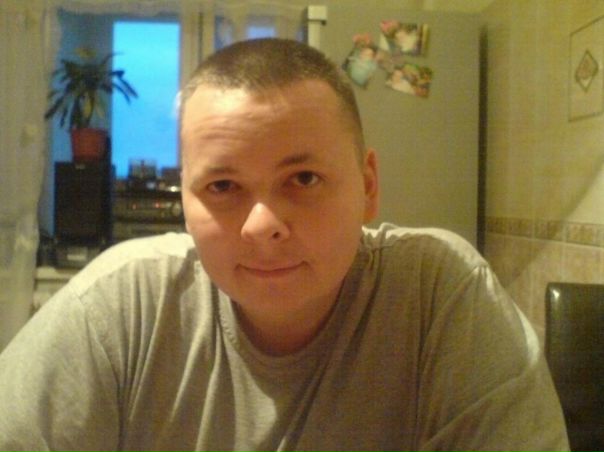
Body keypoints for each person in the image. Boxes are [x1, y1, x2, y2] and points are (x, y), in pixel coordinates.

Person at [0, 38, 568, 451]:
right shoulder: (119, 308)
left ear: (368, 186)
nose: (261, 225)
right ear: (185, 204)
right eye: (223, 187)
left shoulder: (439, 296)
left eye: (303, 179)